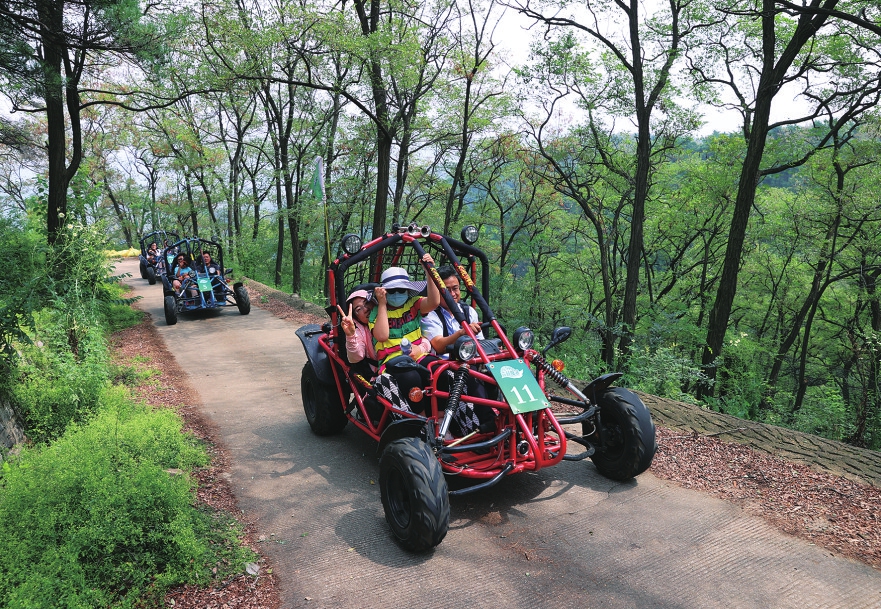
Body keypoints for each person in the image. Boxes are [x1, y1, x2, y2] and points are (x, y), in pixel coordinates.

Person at [369, 257, 441, 413]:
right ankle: (421, 419)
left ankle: (442, 417)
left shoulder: (413, 304)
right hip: (392, 361)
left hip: (418, 355)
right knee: (411, 377)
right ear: (385, 292)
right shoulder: (377, 312)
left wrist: (429, 271)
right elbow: (381, 336)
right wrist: (382, 303)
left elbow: (434, 302)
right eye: (392, 291)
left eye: (401, 290)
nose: (397, 294)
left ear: (407, 290)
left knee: (439, 369)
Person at [421, 265, 483, 357]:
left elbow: (480, 341)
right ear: (437, 292)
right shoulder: (429, 314)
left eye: (455, 288)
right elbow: (438, 345)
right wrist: (462, 333)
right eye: (446, 291)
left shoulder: (468, 311)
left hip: (468, 358)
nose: (452, 294)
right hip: (443, 363)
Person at [337, 289, 378, 380]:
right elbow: (356, 358)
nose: (366, 309)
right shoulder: (361, 331)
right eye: (358, 309)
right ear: (358, 319)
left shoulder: (392, 317)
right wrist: (351, 335)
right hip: (378, 375)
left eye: (367, 302)